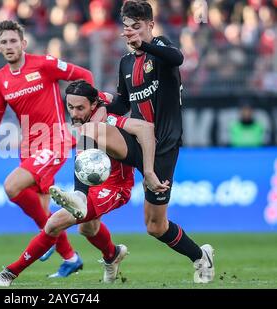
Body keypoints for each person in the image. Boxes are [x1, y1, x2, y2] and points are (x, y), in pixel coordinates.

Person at [51, 1, 215, 284]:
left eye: (137, 27)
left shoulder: (161, 49)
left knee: (155, 226)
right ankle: (81, 194)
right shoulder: (126, 62)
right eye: (127, 28)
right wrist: (101, 101)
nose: (131, 33)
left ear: (150, 25)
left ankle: (200, 256)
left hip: (162, 144)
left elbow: (177, 58)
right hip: (136, 139)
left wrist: (144, 43)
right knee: (92, 129)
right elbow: (124, 102)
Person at [0, 80, 157, 287]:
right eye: (70, 107)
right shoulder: (87, 122)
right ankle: (112, 255)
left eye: (80, 108)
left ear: (93, 105)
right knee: (88, 229)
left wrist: (148, 173)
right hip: (95, 183)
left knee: (54, 223)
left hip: (115, 188)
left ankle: (9, 273)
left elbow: (136, 135)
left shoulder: (108, 123)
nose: (74, 113)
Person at [0, 20, 96, 277]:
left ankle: (47, 241)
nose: (9, 46)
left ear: (23, 43)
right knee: (43, 213)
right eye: (4, 42)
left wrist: (80, 111)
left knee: (11, 186)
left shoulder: (44, 64)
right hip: (29, 146)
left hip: (54, 140)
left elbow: (85, 76)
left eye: (13, 41)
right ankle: (71, 257)